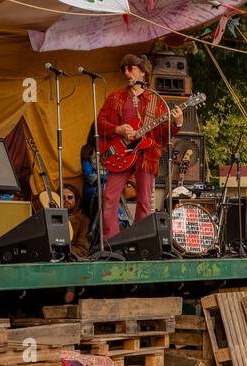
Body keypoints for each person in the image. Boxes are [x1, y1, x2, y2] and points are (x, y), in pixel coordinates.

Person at [97, 54, 182, 239]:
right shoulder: (115, 97)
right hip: (120, 153)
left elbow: (162, 134)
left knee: (144, 202)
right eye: (124, 69)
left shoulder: (156, 100)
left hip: (146, 155)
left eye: (130, 68)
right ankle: (111, 241)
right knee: (109, 198)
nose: (126, 73)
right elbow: (99, 123)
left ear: (143, 72)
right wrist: (118, 129)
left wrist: (177, 124)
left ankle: (139, 241)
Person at [63, 183, 93, 257]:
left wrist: (62, 251)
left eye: (70, 197)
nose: (66, 200)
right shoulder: (51, 217)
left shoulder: (83, 220)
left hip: (71, 258)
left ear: (76, 199)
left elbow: (82, 250)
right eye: (63, 197)